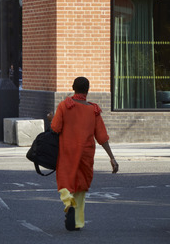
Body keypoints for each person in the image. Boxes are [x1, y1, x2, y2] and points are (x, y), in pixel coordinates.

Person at [50, 76, 118, 231]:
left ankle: (69, 202)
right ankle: (78, 222)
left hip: (68, 151)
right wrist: (112, 158)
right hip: (86, 153)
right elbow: (102, 137)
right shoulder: (93, 110)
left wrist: (50, 118)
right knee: (81, 186)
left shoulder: (64, 106)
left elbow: (55, 128)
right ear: (88, 90)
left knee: (65, 181)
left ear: (73, 87)